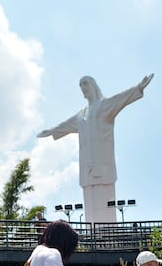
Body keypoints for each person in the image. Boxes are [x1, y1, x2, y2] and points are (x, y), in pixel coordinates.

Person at [38, 74, 153, 223]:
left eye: (85, 84)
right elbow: (65, 125)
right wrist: (51, 131)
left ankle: (107, 235)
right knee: (89, 200)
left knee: (105, 200)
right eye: (81, 86)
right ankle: (92, 233)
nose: (83, 88)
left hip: (103, 164)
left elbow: (121, 98)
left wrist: (138, 87)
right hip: (87, 167)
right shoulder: (81, 115)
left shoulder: (104, 106)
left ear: (93, 85)